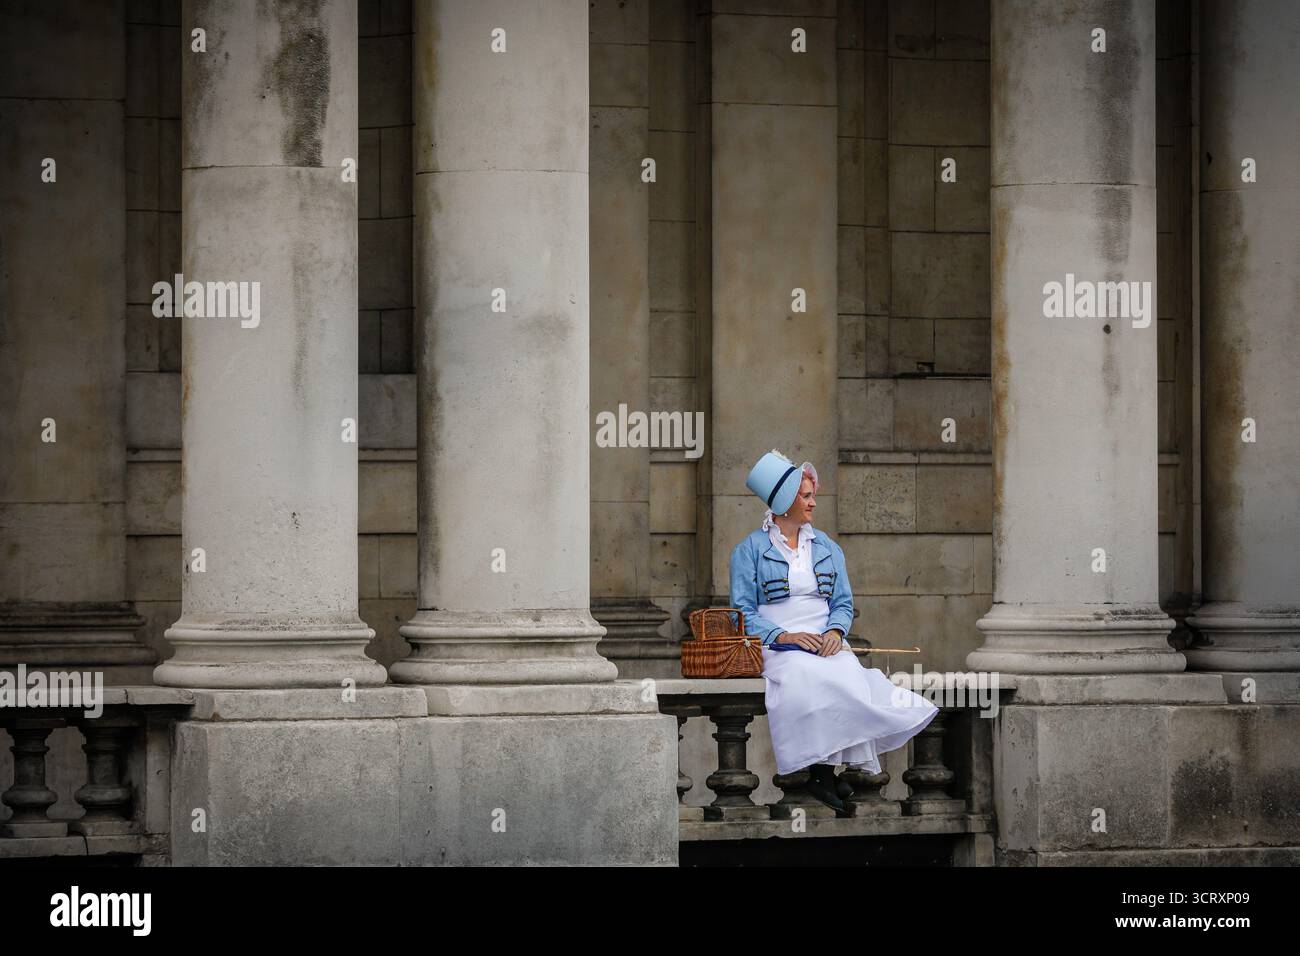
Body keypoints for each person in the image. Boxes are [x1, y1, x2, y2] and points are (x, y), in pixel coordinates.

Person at [729, 449, 939, 812]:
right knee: (805, 674)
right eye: (806, 496)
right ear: (784, 500)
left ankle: (824, 772)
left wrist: (836, 633)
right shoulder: (748, 550)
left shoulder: (827, 547)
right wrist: (785, 636)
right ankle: (821, 774)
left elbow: (842, 602)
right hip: (777, 645)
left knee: (848, 674)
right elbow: (741, 612)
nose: (813, 502)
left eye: (812, 495)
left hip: (822, 640)